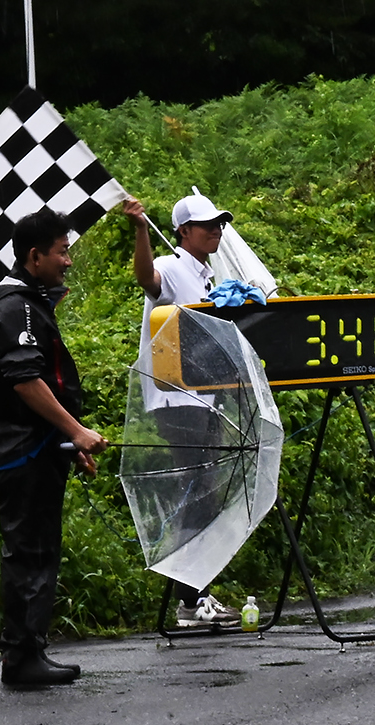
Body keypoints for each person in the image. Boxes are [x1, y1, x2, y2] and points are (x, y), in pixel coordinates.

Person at [0, 208, 109, 689]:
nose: (68, 261)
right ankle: (23, 658)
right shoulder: (17, 306)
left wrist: (70, 441)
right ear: (35, 256)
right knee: (29, 549)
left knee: (38, 547)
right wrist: (78, 428)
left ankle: (29, 651)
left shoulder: (27, 303)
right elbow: (26, 382)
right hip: (21, 451)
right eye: (62, 251)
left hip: (38, 447)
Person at [122, 191, 238, 626]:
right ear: (183, 232)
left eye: (220, 223)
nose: (216, 230)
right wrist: (139, 230)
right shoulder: (172, 268)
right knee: (199, 492)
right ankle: (191, 601)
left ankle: (196, 595)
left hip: (205, 397)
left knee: (204, 494)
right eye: (207, 224)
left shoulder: (208, 276)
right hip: (176, 399)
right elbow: (146, 279)